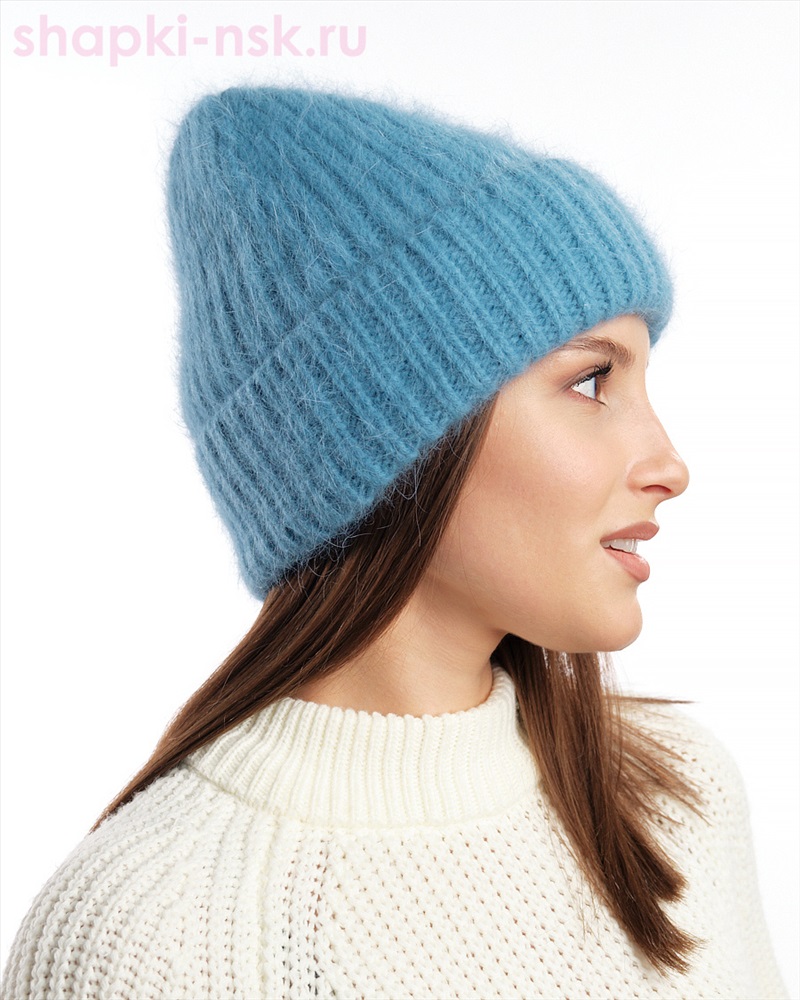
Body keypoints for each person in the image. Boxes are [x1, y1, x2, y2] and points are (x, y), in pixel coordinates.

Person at [0, 85, 787, 1000]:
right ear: (382, 439)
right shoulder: (149, 934)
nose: (669, 465)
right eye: (590, 382)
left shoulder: (676, 796)